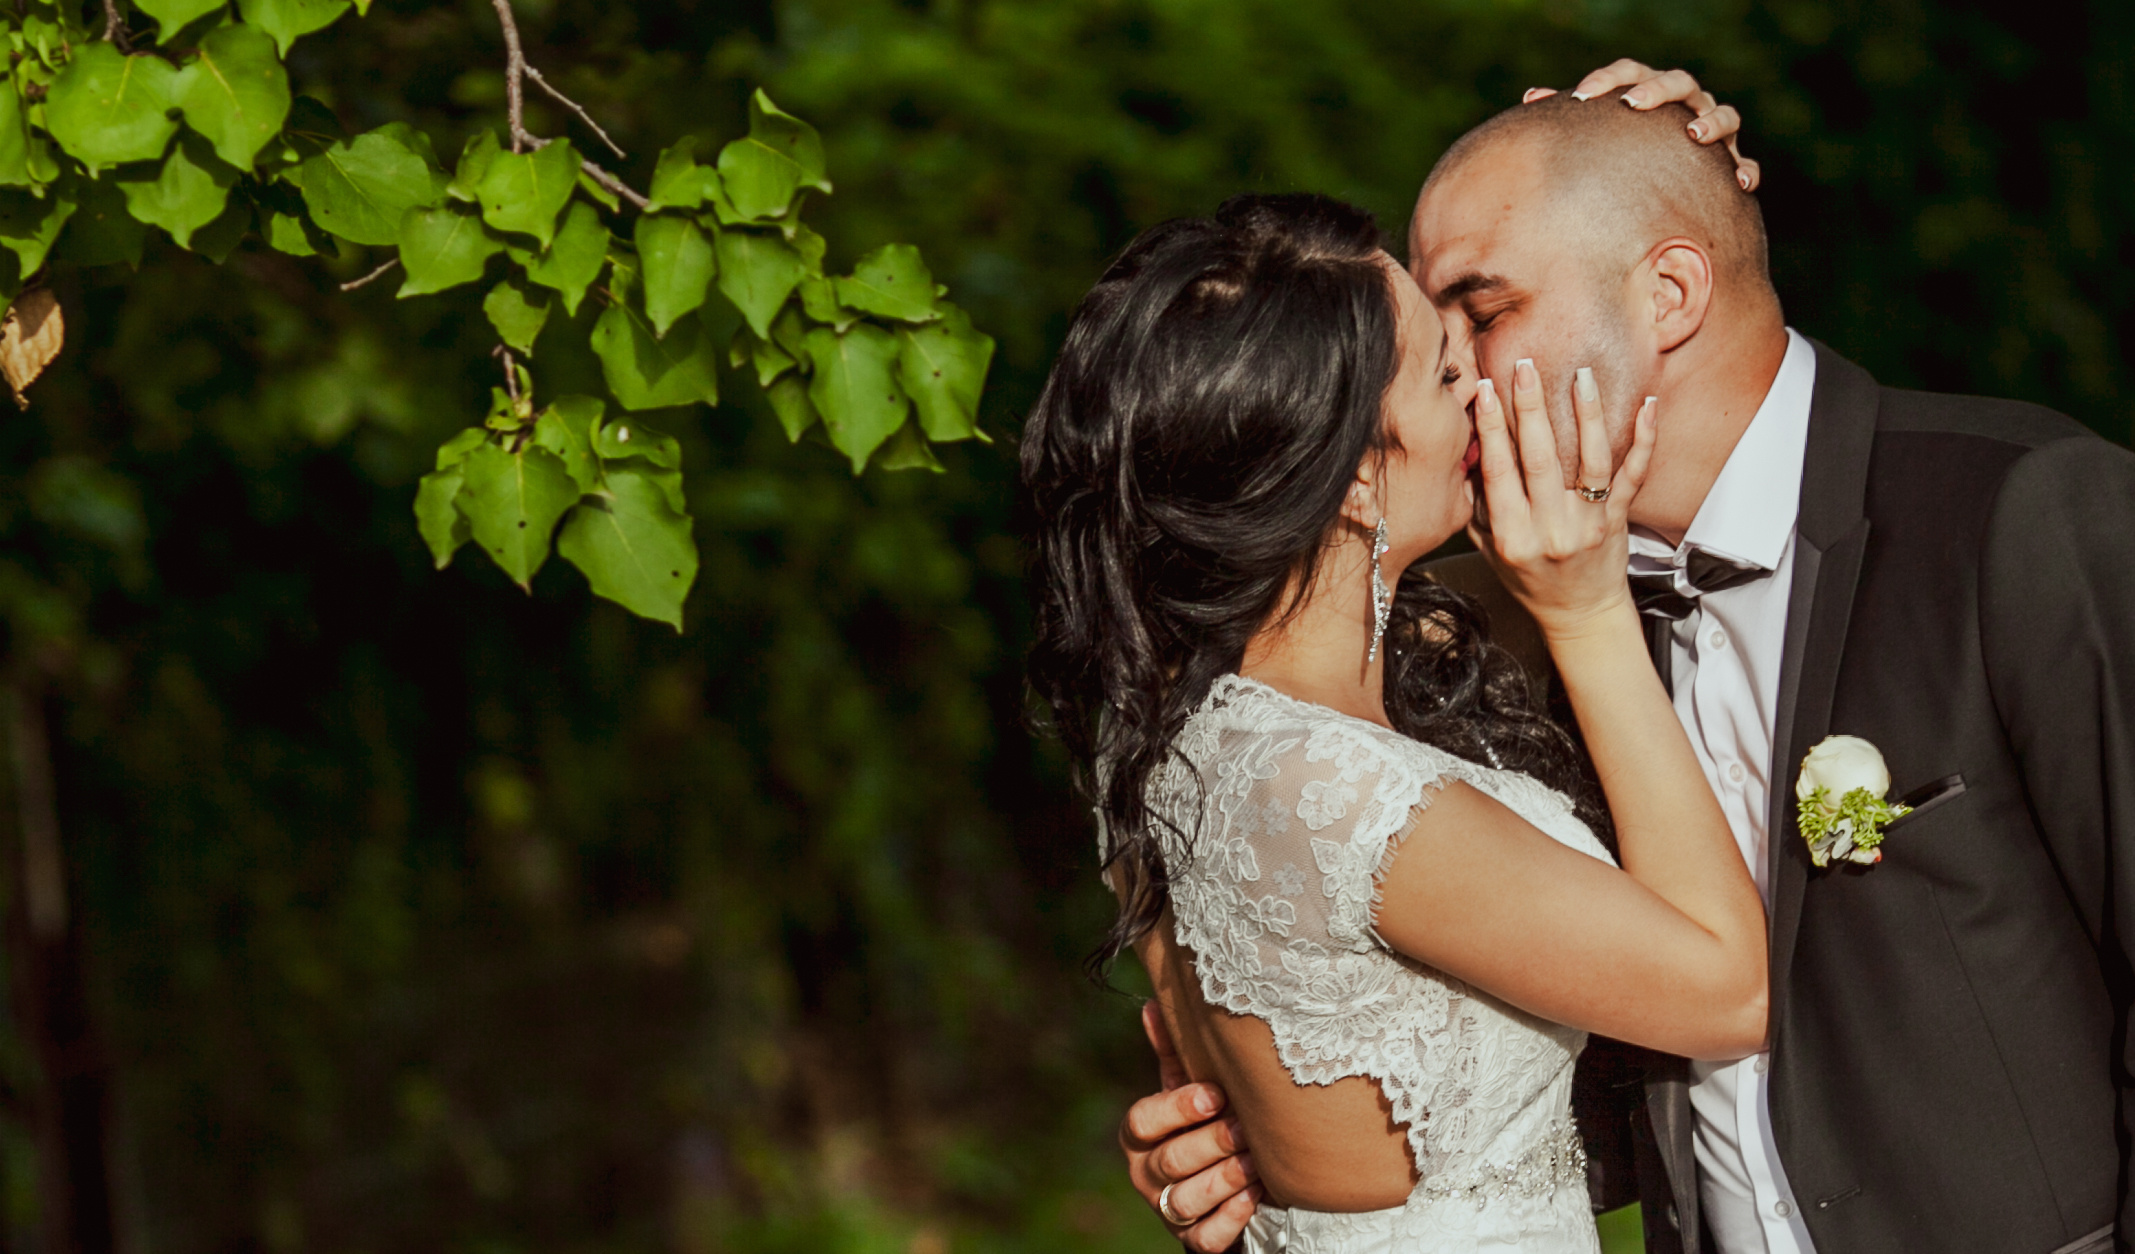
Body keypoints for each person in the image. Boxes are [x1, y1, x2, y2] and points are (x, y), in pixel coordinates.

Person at [1120, 60, 2134, 1254]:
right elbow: (1553, 1069)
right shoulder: (1498, 636)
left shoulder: (2018, 517)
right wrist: (1290, 1146)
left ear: (1666, 293)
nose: (1455, 376)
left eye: (1483, 314)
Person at [1021, 83, 1779, 1249]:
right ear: (1354, 479)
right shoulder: (1355, 802)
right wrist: (1583, 616)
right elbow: (1726, 991)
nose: (1482, 381)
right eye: (1439, 369)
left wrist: (1650, 168)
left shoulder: (1185, 752)